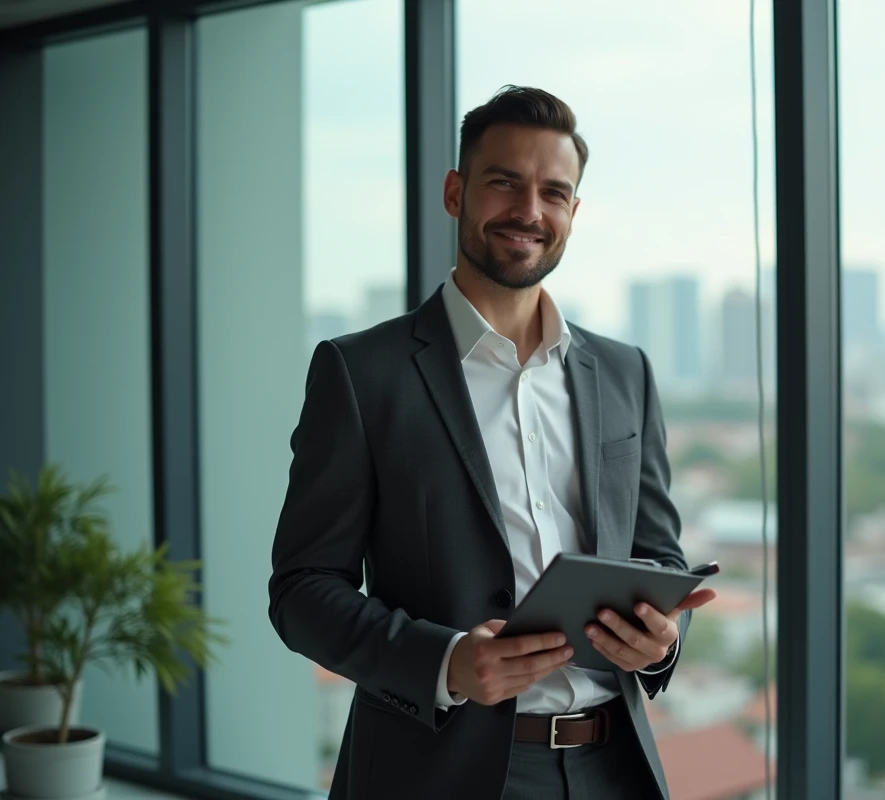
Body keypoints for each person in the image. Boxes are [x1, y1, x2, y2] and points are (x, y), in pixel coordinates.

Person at [267, 85, 715, 800]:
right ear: (455, 192)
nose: (529, 212)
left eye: (554, 192)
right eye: (505, 183)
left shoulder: (625, 372)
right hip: (438, 772)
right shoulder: (361, 373)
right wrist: (445, 662)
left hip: (614, 768)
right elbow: (301, 591)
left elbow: (657, 555)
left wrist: (661, 643)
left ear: (573, 212)